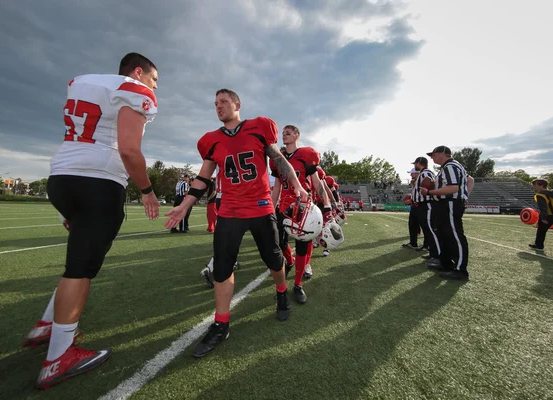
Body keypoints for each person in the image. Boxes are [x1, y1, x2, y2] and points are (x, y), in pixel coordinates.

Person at [26, 53, 160, 389]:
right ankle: (58, 358)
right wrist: (146, 190)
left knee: (78, 257)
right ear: (139, 72)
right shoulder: (132, 89)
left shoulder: (82, 82)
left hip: (61, 178)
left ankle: (47, 325)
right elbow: (129, 150)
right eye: (154, 80)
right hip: (98, 181)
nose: (155, 87)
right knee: (81, 269)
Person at [164, 89, 308, 357]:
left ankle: (280, 291)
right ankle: (221, 324)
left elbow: (277, 159)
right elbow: (203, 177)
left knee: (274, 259)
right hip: (229, 210)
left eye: (224, 101)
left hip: (261, 206)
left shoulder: (259, 127)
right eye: (215, 103)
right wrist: (184, 205)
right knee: (222, 267)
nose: (218, 106)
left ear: (237, 104)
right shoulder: (211, 141)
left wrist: (298, 186)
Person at [270, 125, 333, 304]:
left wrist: (327, 206)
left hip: (303, 207)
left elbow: (317, 183)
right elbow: (276, 187)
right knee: (280, 242)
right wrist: (271, 209)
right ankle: (289, 261)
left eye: (288, 133)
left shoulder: (306, 155)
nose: (284, 135)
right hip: (284, 207)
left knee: (302, 245)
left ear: (297, 136)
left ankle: (297, 284)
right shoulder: (277, 158)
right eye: (283, 133)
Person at [420, 146, 470, 281]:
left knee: (454, 235)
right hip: (444, 203)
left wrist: (430, 192)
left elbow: (453, 188)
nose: (432, 157)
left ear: (442, 153)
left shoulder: (450, 166)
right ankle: (446, 263)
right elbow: (469, 180)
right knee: (444, 235)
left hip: (450, 203)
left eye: (434, 154)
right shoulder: (448, 167)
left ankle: (460, 270)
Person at [411, 157, 440, 262]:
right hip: (423, 204)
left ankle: (437, 255)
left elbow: (429, 183)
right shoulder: (424, 173)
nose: (414, 165)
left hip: (426, 203)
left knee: (430, 230)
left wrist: (427, 191)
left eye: (415, 163)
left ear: (419, 163)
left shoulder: (425, 173)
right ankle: (432, 252)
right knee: (428, 230)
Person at [402, 168, 421, 249]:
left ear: (417, 173)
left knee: (424, 227)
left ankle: (428, 246)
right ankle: (413, 243)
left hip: (421, 206)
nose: (411, 175)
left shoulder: (421, 182)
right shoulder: (416, 183)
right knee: (412, 225)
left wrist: (411, 200)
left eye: (412, 173)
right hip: (415, 206)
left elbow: (422, 195)